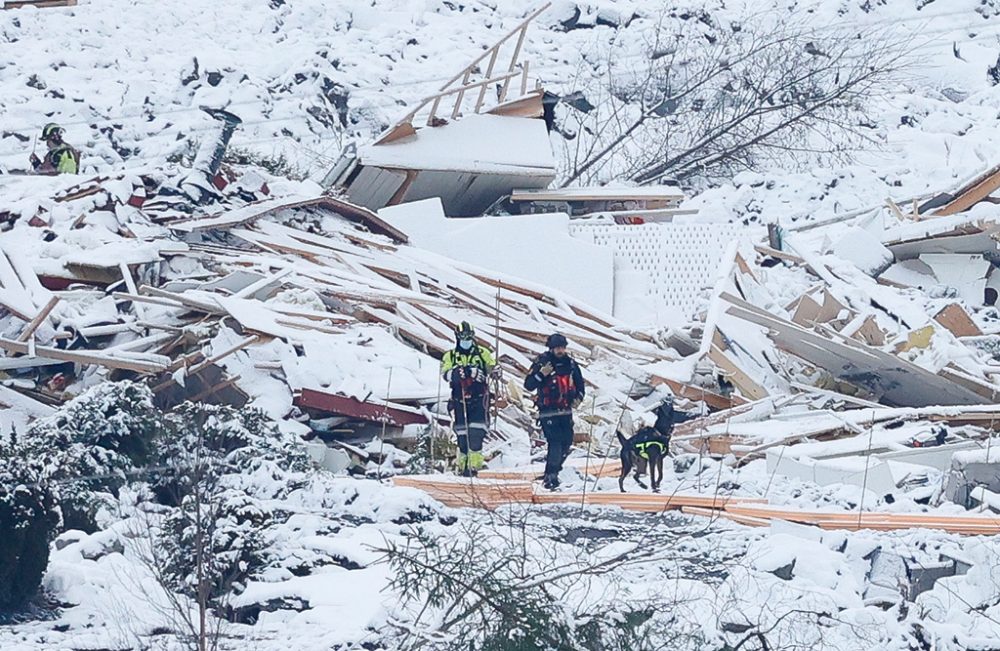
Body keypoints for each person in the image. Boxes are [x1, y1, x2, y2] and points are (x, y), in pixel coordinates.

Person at [524, 333, 585, 490]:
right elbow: (529, 384)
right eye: (557, 348)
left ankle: (554, 471)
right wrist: (540, 375)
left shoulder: (571, 364)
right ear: (551, 348)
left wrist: (579, 398)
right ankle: (551, 476)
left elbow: (580, 384)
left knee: (567, 441)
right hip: (548, 410)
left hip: (565, 410)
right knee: (555, 442)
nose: (560, 351)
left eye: (562, 348)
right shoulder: (542, 363)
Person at [440, 321, 495, 476]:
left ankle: (474, 468)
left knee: (476, 434)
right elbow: (446, 374)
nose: (466, 339)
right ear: (457, 337)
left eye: (469, 336)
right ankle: (462, 468)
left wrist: (493, 370)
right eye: (463, 336)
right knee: (462, 437)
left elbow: (491, 367)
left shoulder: (482, 353)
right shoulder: (450, 356)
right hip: (459, 400)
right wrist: (465, 372)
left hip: (479, 400)